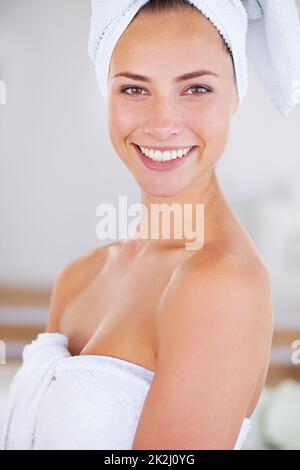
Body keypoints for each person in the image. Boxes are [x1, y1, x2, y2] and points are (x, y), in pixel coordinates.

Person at [2, 0, 299, 450]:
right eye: (135, 90)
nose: (163, 124)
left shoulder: (222, 284)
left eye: (195, 89)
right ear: (108, 94)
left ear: (235, 95)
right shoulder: (79, 278)